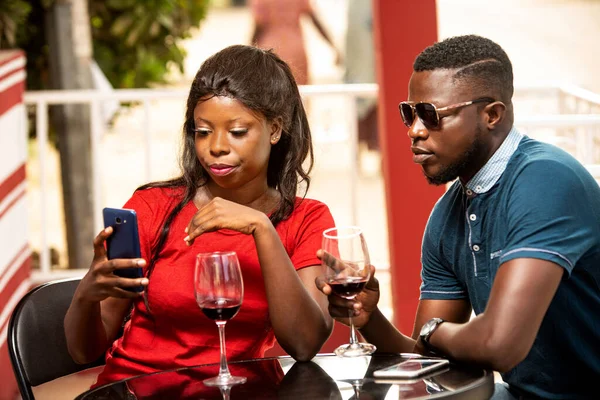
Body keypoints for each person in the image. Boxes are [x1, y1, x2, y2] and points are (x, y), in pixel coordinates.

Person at [317, 35, 600, 399]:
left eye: (431, 115)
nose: (415, 129)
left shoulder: (545, 181)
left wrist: (434, 330)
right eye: (410, 112)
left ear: (492, 115)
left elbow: (500, 344)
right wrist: (370, 318)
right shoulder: (448, 214)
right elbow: (425, 356)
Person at [64, 44, 335, 387]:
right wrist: (85, 296)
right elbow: (83, 352)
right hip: (137, 390)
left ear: (275, 129)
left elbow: (304, 342)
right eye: (203, 131)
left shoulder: (306, 219)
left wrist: (261, 228)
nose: (216, 146)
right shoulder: (152, 206)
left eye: (237, 131)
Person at [249, 0, 341, 85]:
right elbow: (315, 20)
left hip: (270, 51)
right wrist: (333, 46)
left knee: (269, 95)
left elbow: (258, 26)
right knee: (300, 93)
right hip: (296, 52)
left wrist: (249, 53)